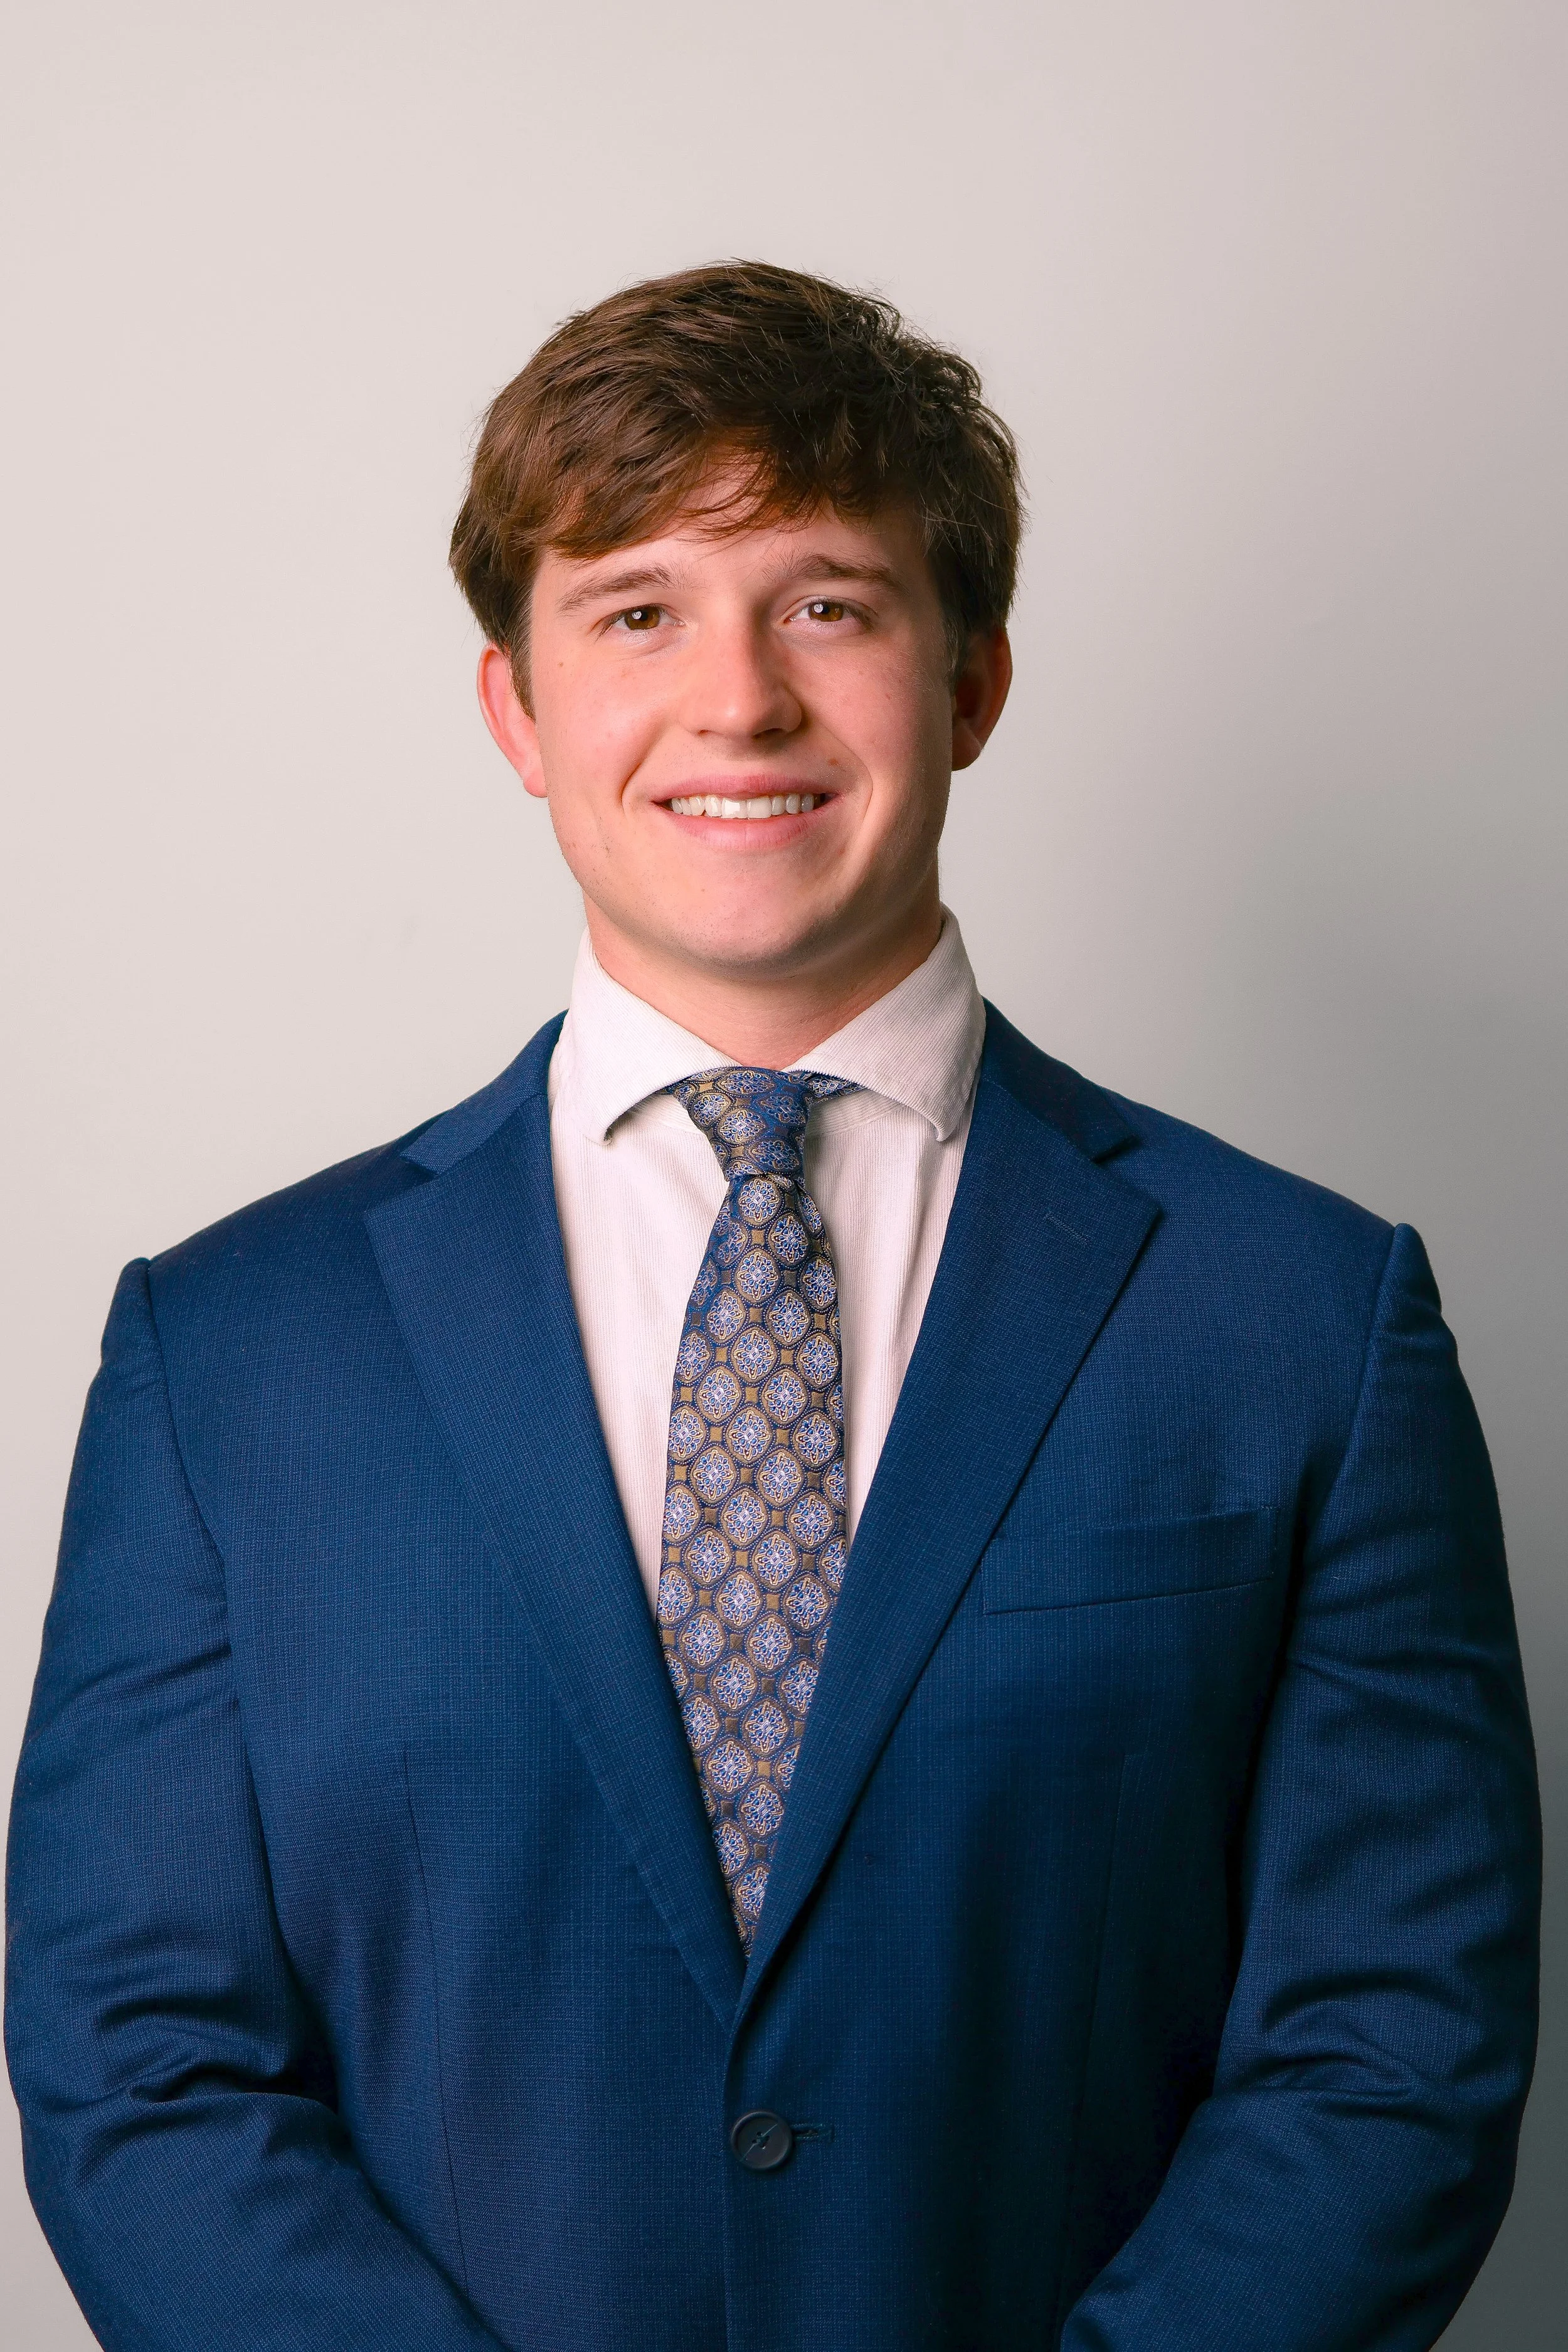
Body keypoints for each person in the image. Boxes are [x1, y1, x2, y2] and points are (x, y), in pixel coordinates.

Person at [6, 261, 1540, 2352]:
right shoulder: (231, 1353)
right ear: (514, 710)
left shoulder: (1303, 1315)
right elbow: (138, 2057)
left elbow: (1388, 2041)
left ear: (973, 675)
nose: (737, 699)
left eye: (826, 601)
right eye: (636, 609)